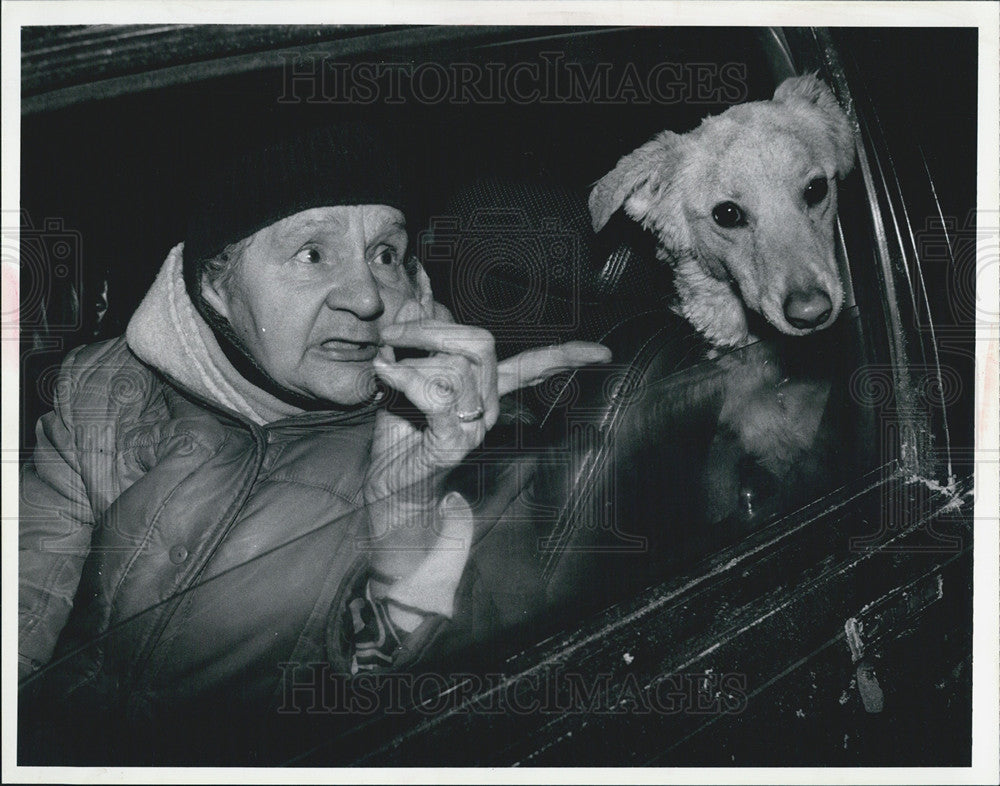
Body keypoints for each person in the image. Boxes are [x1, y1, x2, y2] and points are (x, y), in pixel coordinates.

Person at [18, 124, 610, 758]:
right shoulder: (104, 389)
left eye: (386, 254)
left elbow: (427, 726)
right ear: (216, 284)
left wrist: (405, 535)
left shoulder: (464, 442)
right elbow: (24, 596)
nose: (365, 297)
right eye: (312, 254)